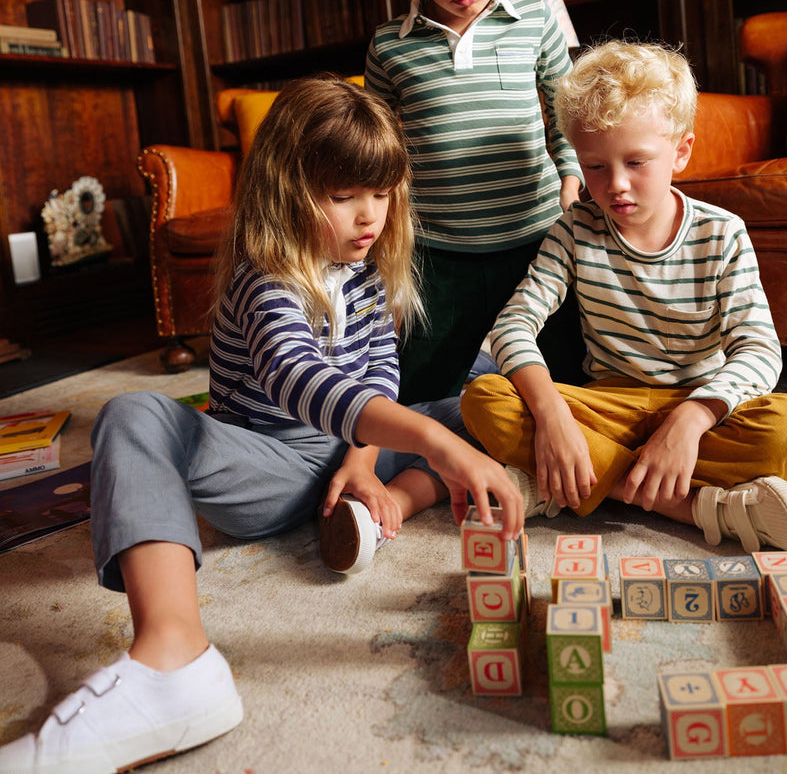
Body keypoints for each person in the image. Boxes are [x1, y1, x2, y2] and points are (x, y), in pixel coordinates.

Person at [0, 77, 522, 774]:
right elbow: (296, 379)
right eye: (344, 195)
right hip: (268, 466)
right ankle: (173, 660)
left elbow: (378, 376)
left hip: (348, 456)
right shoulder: (262, 274)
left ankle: (383, 507)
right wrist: (437, 445)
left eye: (381, 192)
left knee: (484, 393)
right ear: (286, 193)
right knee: (133, 414)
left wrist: (364, 462)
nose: (369, 215)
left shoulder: (365, 273)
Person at [460, 40, 787, 552]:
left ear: (681, 151)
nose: (616, 185)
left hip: (696, 405)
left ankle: (571, 481)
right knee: (484, 400)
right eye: (595, 167)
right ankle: (695, 507)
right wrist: (553, 417)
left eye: (636, 162)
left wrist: (690, 421)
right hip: (607, 404)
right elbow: (513, 325)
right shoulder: (574, 230)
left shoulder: (723, 233)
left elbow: (759, 349)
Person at [365, 0, 586, 406]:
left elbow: (567, 115)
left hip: (538, 239)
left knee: (568, 380)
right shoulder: (389, 46)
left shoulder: (537, 20)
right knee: (417, 388)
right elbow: (377, 154)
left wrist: (570, 181)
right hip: (437, 252)